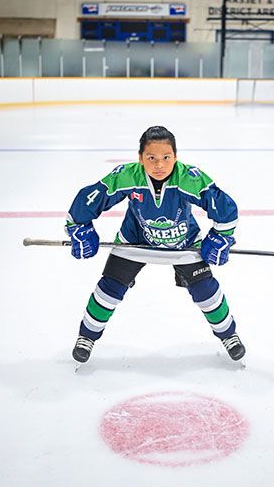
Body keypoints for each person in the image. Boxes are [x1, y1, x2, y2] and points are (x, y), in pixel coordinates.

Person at [65, 126, 245, 364]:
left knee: (206, 292)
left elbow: (225, 209)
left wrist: (221, 236)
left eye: (166, 157)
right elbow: (90, 199)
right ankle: (86, 337)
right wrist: (79, 228)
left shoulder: (189, 178)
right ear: (140, 158)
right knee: (109, 289)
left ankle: (229, 335)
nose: (159, 165)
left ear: (175, 157)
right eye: (151, 158)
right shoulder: (127, 176)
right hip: (135, 241)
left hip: (183, 243)